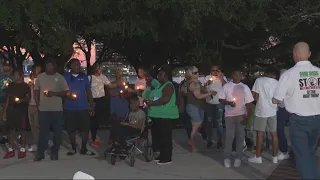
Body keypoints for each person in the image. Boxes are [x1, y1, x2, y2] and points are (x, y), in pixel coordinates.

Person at [272, 42, 320, 179]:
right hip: (317, 120)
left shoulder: (289, 74)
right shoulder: (318, 72)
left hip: (299, 121)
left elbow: (276, 99)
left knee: (303, 158)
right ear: (309, 54)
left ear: (294, 54)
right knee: (309, 154)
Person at [33, 58, 69, 161]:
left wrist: (54, 94)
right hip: (43, 110)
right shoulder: (40, 77)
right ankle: (40, 153)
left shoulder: (60, 78)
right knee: (43, 132)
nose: (48, 67)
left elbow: (66, 92)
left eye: (50, 65)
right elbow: (36, 91)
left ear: (55, 66)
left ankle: (55, 151)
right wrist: (37, 104)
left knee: (57, 133)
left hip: (57, 110)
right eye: (47, 65)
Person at [219, 69, 254, 168]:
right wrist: (229, 103)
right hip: (229, 115)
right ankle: (227, 158)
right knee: (229, 137)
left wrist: (247, 116)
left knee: (240, 137)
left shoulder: (245, 87)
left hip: (241, 115)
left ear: (241, 76)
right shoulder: (227, 86)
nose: (237, 77)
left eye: (239, 75)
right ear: (232, 76)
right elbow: (220, 99)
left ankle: (239, 157)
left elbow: (249, 103)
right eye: (235, 75)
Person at [146, 64, 179, 165]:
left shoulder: (168, 85)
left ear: (165, 74)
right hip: (156, 115)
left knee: (165, 137)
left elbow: (165, 99)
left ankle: (167, 157)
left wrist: (152, 103)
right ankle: (161, 155)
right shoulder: (159, 86)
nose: (158, 76)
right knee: (158, 136)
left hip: (165, 116)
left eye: (160, 74)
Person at [64, 59, 95, 156]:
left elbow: (88, 92)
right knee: (71, 130)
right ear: (71, 66)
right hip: (69, 108)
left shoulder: (84, 77)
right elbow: (61, 90)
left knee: (85, 129)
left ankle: (84, 148)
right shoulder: (66, 77)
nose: (78, 66)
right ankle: (73, 148)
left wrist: (91, 105)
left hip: (83, 107)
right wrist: (68, 94)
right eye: (76, 64)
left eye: (79, 64)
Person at [248, 67, 279, 164]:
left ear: (266, 72)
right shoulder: (277, 83)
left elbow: (255, 96)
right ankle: (274, 157)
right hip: (273, 110)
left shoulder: (259, 80)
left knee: (260, 134)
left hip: (261, 110)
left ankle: (258, 157)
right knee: (274, 134)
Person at [185, 66, 215, 152]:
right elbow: (198, 96)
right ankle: (191, 142)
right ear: (190, 74)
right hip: (194, 106)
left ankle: (192, 145)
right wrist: (210, 93)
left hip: (198, 106)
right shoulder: (194, 84)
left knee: (196, 126)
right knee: (196, 126)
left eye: (198, 72)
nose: (197, 74)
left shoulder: (196, 82)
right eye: (195, 73)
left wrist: (206, 86)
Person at [2, 69, 30, 159]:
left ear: (21, 75)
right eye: (14, 74)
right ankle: (11, 150)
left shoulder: (25, 86)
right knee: (11, 130)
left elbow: (28, 98)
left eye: (16, 74)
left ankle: (22, 149)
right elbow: (8, 99)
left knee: (22, 130)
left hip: (21, 110)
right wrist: (5, 112)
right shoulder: (11, 85)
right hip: (11, 110)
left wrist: (21, 100)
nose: (14, 76)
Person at [88, 63, 118, 146]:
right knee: (93, 119)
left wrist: (118, 84)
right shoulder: (90, 78)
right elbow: (87, 89)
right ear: (96, 69)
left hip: (102, 100)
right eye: (100, 68)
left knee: (100, 118)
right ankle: (93, 137)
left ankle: (103, 136)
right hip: (93, 100)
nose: (101, 70)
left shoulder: (103, 77)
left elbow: (110, 85)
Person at [204, 65, 227, 149]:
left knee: (219, 122)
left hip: (219, 103)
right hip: (209, 103)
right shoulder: (207, 77)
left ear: (220, 71)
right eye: (213, 70)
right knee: (209, 122)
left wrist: (221, 78)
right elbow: (202, 88)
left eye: (217, 70)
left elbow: (227, 87)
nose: (215, 72)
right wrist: (207, 83)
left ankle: (219, 141)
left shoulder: (223, 77)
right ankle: (209, 140)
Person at [108, 69, 130, 146]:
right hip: (115, 104)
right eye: (117, 74)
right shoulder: (112, 84)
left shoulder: (124, 84)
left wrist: (124, 94)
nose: (119, 76)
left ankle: (121, 138)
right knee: (114, 121)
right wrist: (118, 93)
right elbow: (110, 93)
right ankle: (113, 138)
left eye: (120, 74)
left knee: (122, 121)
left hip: (122, 104)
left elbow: (127, 94)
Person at [27, 64, 42, 152]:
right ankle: (36, 141)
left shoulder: (41, 79)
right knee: (32, 124)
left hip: (38, 105)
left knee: (37, 124)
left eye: (39, 69)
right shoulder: (30, 78)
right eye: (36, 69)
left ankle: (38, 143)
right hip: (30, 104)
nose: (37, 70)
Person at [276, 68, 290, 160]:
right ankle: (284, 151)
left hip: (292, 110)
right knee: (280, 131)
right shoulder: (278, 85)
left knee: (296, 132)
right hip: (281, 109)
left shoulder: (293, 84)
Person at [0, 61, 13, 145]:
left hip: (12, 102)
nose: (6, 67)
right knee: (2, 120)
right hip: (1, 101)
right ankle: (4, 137)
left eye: (8, 66)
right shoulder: (0, 76)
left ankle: (18, 136)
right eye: (5, 66)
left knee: (13, 120)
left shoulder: (14, 77)